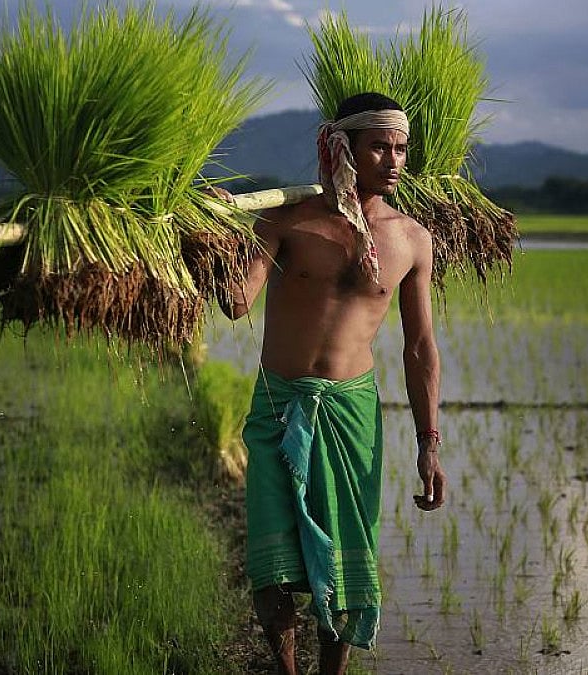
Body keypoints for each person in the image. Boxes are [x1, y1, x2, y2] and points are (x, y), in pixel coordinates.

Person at [219, 92, 446, 675]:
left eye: (401, 148)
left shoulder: (411, 237)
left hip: (352, 416)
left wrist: (429, 442)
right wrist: (216, 237)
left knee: (346, 562)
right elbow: (236, 303)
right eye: (380, 147)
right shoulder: (286, 220)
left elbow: (419, 346)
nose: (395, 160)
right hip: (279, 404)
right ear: (341, 147)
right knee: (274, 563)